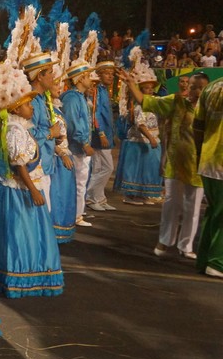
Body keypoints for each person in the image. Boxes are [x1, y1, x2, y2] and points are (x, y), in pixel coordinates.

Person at [0, 62, 64, 298]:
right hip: (21, 191)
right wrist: (33, 189)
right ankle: (21, 275)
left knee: (31, 234)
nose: (32, 107)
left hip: (27, 187)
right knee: (21, 235)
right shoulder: (14, 130)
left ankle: (31, 274)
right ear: (15, 108)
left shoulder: (20, 127)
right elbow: (19, 164)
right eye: (27, 104)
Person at [124, 72, 209, 258]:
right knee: (171, 204)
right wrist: (131, 84)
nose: (195, 91)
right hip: (175, 162)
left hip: (198, 165)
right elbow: (147, 102)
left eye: (200, 88)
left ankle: (186, 246)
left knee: (193, 208)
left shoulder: (209, 108)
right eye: (192, 86)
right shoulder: (176, 101)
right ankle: (164, 241)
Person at [114, 62, 163, 205]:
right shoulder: (138, 107)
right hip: (139, 142)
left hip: (152, 141)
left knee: (148, 169)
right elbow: (140, 124)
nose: (150, 90)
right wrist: (151, 138)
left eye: (151, 88)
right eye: (146, 88)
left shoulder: (154, 103)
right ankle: (131, 196)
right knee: (136, 169)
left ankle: (144, 194)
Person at [193, 76, 223, 278]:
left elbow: (197, 126)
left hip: (208, 159)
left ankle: (204, 259)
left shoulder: (212, 87)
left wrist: (199, 154)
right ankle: (217, 262)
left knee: (214, 211)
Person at [21, 52, 59, 210]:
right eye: (50, 72)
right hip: (37, 165)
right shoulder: (33, 101)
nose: (53, 76)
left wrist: (55, 137)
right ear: (39, 76)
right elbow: (28, 135)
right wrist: (50, 133)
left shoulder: (42, 98)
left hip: (46, 162)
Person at [61, 61, 95, 230]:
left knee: (81, 182)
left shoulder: (80, 97)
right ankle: (75, 215)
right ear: (80, 78)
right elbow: (73, 123)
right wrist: (84, 142)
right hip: (76, 148)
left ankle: (78, 213)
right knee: (78, 183)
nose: (91, 79)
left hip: (79, 147)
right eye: (88, 76)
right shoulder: (72, 98)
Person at [86, 61, 118, 212]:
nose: (110, 76)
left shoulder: (105, 90)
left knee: (99, 168)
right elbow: (95, 114)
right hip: (99, 135)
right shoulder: (97, 91)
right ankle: (89, 196)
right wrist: (101, 133)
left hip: (106, 134)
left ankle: (99, 198)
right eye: (107, 73)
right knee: (106, 167)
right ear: (99, 75)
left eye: (112, 74)